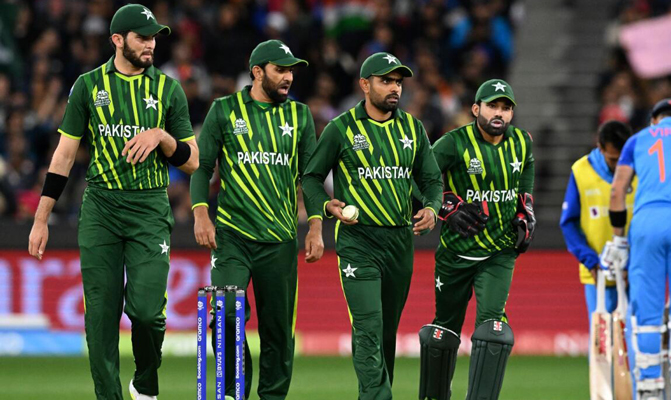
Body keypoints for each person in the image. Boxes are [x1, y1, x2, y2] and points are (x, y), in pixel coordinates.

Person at [27, 4, 198, 400]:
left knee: (147, 314)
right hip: (101, 209)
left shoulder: (168, 89)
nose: (151, 44)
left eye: (154, 36)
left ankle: (145, 383)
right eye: (142, 36)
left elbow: (193, 161)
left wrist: (162, 137)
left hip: (150, 209)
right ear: (118, 40)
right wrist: (41, 219)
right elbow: (64, 155)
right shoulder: (87, 86)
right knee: (100, 321)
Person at [302, 52, 443, 400]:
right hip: (357, 241)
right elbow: (312, 178)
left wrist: (432, 208)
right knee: (368, 327)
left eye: (398, 81)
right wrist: (325, 205)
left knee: (386, 333)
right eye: (386, 80)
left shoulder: (413, 128)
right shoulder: (341, 128)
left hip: (399, 241)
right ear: (365, 84)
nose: (395, 88)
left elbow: (432, 180)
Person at [189, 39, 318, 400]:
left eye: (291, 70)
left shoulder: (300, 115)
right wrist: (201, 213)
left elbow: (310, 177)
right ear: (258, 72)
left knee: (278, 334)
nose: (288, 77)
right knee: (226, 318)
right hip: (232, 238)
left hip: (279, 240)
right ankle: (233, 393)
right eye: (280, 69)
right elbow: (202, 168)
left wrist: (317, 226)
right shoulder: (224, 110)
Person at [418, 79, 535, 400]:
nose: (499, 113)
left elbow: (526, 171)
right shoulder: (452, 143)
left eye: (506, 107)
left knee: (493, 332)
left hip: (499, 251)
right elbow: (418, 178)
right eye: (493, 106)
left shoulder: (521, 142)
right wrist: (445, 207)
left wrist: (525, 208)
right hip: (456, 253)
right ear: (475, 109)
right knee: (443, 333)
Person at [606, 99, 671, 400]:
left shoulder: (638, 140)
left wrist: (619, 240)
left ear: (654, 121)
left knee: (647, 315)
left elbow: (617, 190)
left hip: (646, 222)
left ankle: (649, 388)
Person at [560, 120, 635, 321]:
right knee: (601, 341)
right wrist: (590, 261)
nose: (620, 165)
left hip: (635, 272)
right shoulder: (581, 171)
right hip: (597, 272)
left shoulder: (640, 170)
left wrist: (633, 261)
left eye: (623, 159)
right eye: (613, 160)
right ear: (599, 147)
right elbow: (569, 223)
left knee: (636, 338)